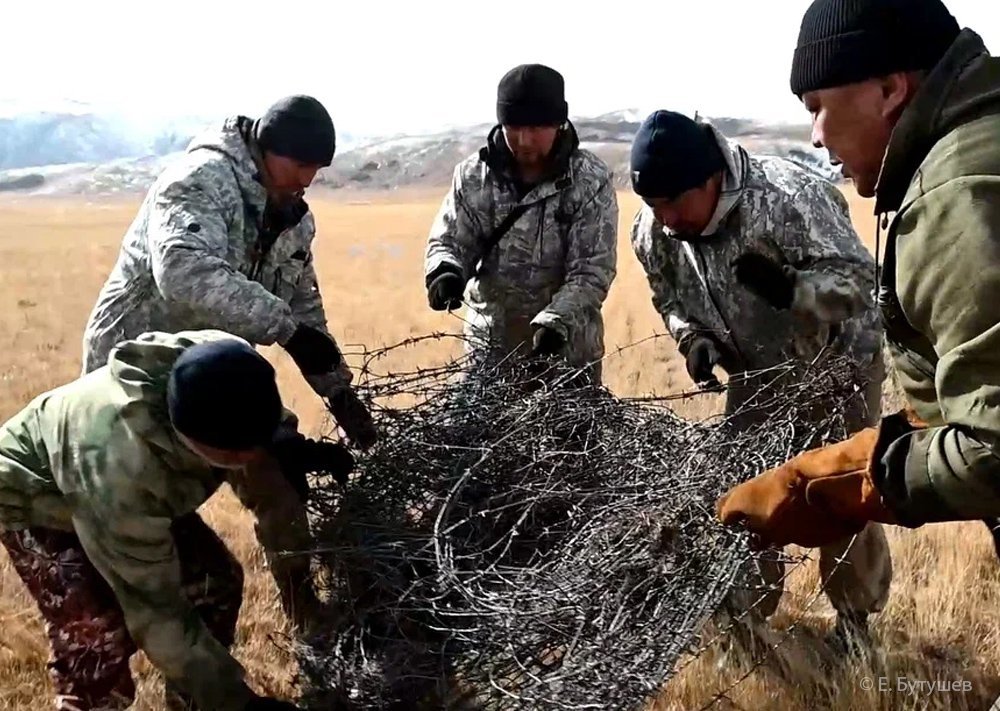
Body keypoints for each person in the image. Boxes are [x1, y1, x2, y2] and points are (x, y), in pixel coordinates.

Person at [716, 0, 1000, 585]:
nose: (816, 136)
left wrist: (848, 480)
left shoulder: (956, 197)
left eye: (818, 107)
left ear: (891, 88)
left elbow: (995, 450)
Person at [79, 94, 376, 629]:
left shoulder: (292, 219)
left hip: (219, 376)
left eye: (318, 169)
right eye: (302, 164)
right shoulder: (200, 180)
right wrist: (284, 327)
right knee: (162, 542)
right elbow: (183, 269)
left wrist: (338, 391)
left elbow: (304, 307)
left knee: (282, 481)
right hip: (133, 377)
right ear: (267, 149)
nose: (309, 178)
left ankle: (310, 626)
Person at [628, 109, 892, 647]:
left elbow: (863, 284)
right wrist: (692, 339)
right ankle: (748, 621)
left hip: (837, 368)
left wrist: (794, 290)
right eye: (654, 206)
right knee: (745, 495)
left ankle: (855, 627)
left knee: (847, 495)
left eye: (675, 203)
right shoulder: (654, 229)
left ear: (710, 180)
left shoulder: (790, 199)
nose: (666, 218)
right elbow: (668, 296)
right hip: (755, 375)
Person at [0, 329, 354, 710]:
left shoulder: (223, 364)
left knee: (214, 583)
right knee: (98, 636)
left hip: (122, 479)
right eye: (237, 456)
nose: (248, 461)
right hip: (38, 496)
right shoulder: (123, 470)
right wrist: (240, 704)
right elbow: (157, 611)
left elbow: (272, 496)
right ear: (194, 443)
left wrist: (284, 441)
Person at [423, 63, 619, 384]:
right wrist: (445, 271)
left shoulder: (589, 181)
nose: (525, 140)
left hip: (566, 360)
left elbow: (591, 272)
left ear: (559, 122)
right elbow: (449, 242)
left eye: (537, 127)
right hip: (489, 358)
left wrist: (555, 325)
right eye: (513, 126)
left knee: (567, 435)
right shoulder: (474, 177)